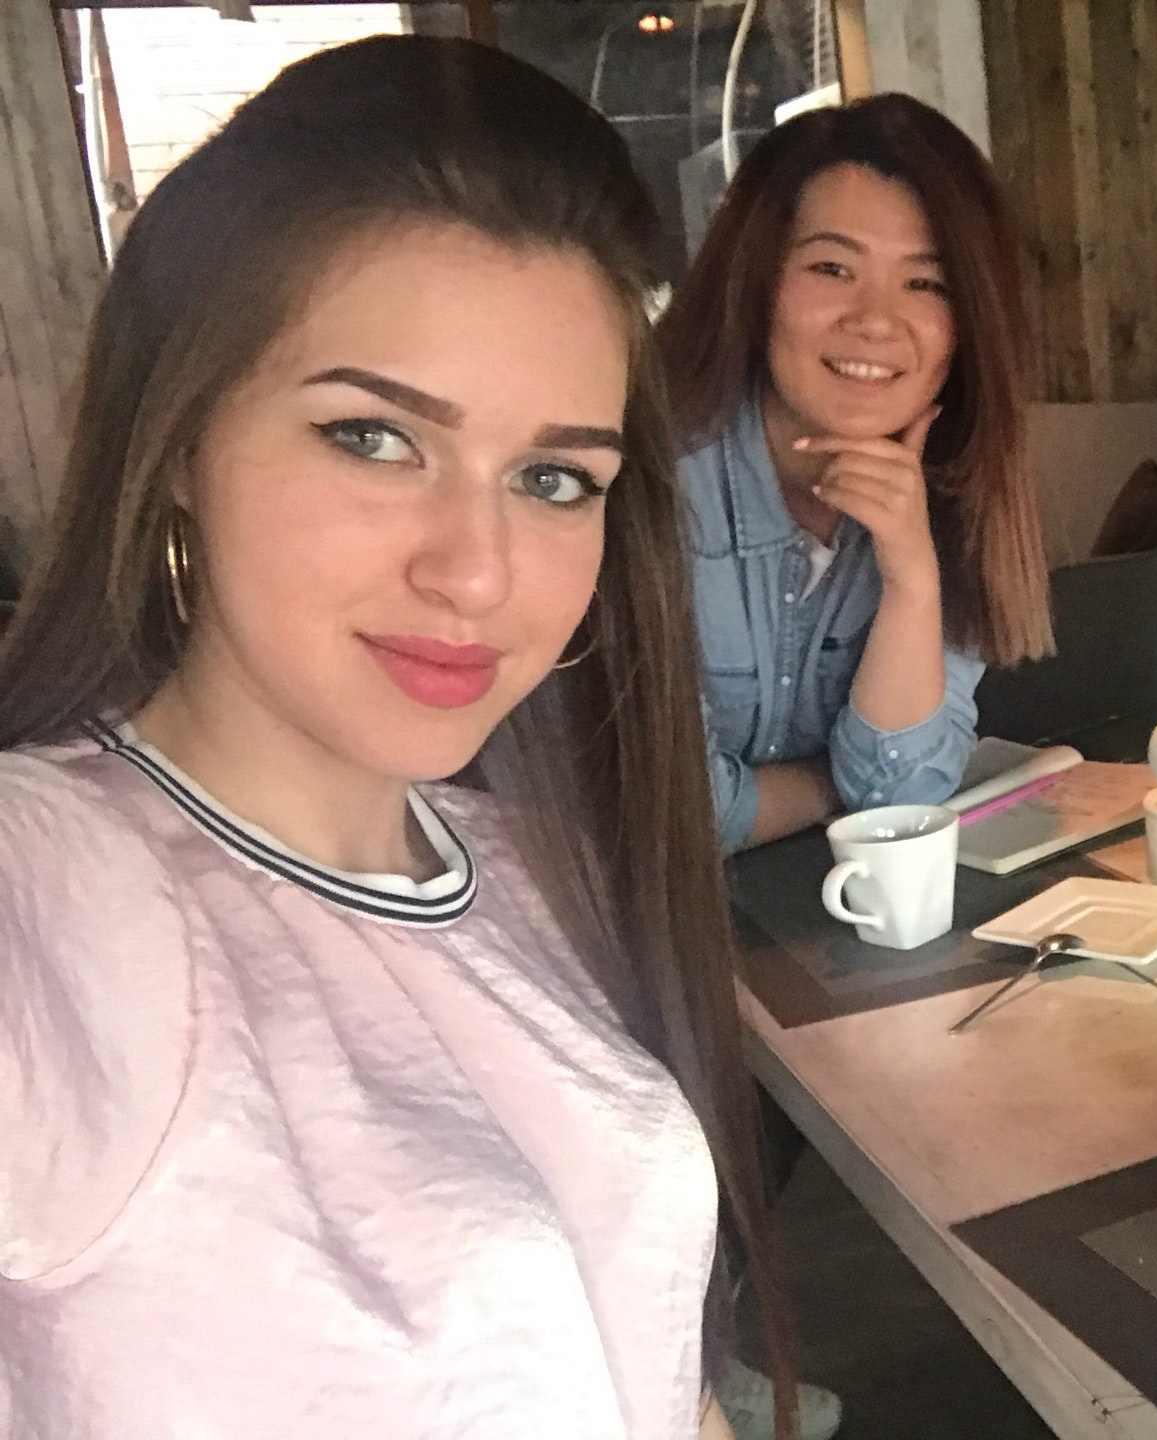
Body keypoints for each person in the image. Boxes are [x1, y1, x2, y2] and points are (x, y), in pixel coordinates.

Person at [0, 37, 792, 1440]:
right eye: (373, 438)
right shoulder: (57, 894)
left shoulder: (529, 863)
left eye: (553, 478)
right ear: (178, 441)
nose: (478, 573)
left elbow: (649, 1369)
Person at [658, 94, 1052, 855]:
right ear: (758, 286)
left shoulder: (955, 492)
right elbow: (671, 813)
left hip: (820, 911)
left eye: (926, 284)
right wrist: (832, 783)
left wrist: (911, 578)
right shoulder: (649, 486)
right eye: (832, 268)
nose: (875, 319)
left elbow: (905, 800)